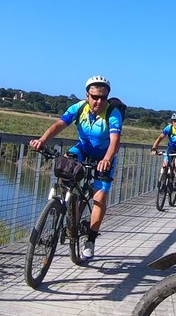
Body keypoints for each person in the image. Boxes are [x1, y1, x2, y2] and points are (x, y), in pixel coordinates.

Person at [29, 75, 122, 260]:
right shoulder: (78, 108)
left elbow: (115, 140)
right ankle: (63, 203)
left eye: (103, 97)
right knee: (65, 162)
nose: (99, 101)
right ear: (87, 96)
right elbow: (59, 124)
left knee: (99, 197)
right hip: (82, 149)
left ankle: (91, 240)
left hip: (104, 156)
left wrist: (107, 158)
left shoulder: (113, 113)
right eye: (95, 97)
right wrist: (42, 140)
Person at [151, 113, 176, 191]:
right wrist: (154, 148)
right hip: (171, 149)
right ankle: (163, 180)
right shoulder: (169, 128)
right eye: (174, 121)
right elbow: (160, 138)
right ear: (172, 122)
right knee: (165, 164)